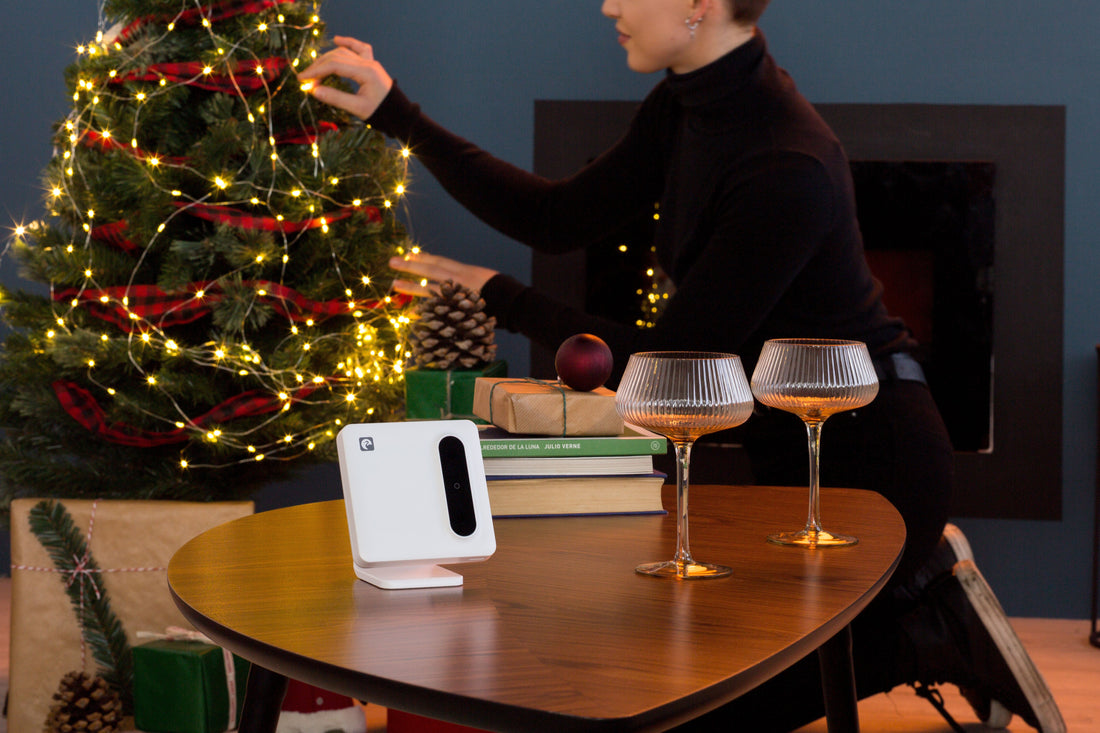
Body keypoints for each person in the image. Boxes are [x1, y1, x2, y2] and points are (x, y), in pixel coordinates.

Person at [299, 1, 1064, 730]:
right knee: (657, 682)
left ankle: (921, 620)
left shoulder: (785, 160)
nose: (607, 8)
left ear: (698, 3)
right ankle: (910, 587)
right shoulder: (687, 104)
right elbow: (556, 218)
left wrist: (496, 292)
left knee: (687, 718)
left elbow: (669, 366)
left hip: (870, 462)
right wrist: (395, 112)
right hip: (792, 455)